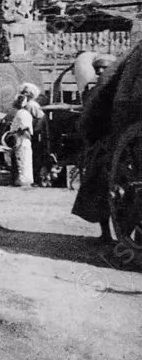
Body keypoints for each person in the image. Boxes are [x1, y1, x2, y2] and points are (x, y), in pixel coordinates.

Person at [73, 53, 119, 242]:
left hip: (105, 144)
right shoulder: (98, 90)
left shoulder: (101, 91)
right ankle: (106, 233)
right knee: (99, 190)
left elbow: (90, 120)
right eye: (97, 70)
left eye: (103, 70)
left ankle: (108, 233)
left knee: (99, 187)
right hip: (101, 145)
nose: (100, 73)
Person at [10, 94, 35, 188]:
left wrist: (16, 138)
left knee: (22, 159)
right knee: (24, 159)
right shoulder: (24, 113)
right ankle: (24, 179)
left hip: (22, 138)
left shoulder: (21, 113)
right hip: (23, 138)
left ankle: (23, 180)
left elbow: (24, 128)